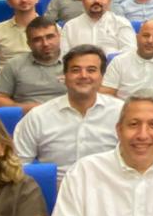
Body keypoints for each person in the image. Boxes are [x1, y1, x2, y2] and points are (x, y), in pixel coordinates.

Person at [14, 46, 123, 174]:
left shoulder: (121, 113)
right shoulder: (38, 117)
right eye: (76, 70)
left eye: (91, 70)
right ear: (65, 76)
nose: (83, 76)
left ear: (102, 77)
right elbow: (18, 164)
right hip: (56, 185)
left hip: (107, 183)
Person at [0, 19, 67, 114]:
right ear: (29, 44)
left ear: (59, 37)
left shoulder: (74, 63)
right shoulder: (14, 64)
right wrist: (22, 109)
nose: (45, 44)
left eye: (50, 37)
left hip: (66, 115)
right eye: (37, 39)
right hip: (28, 117)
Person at [101, 19, 153, 101]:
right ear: (137, 37)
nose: (150, 41)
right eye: (146, 35)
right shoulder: (118, 62)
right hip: (126, 109)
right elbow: (106, 95)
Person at [60, 0, 138, 57]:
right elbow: (64, 56)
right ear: (83, 1)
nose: (97, 1)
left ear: (109, 1)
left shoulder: (121, 23)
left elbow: (129, 53)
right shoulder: (70, 26)